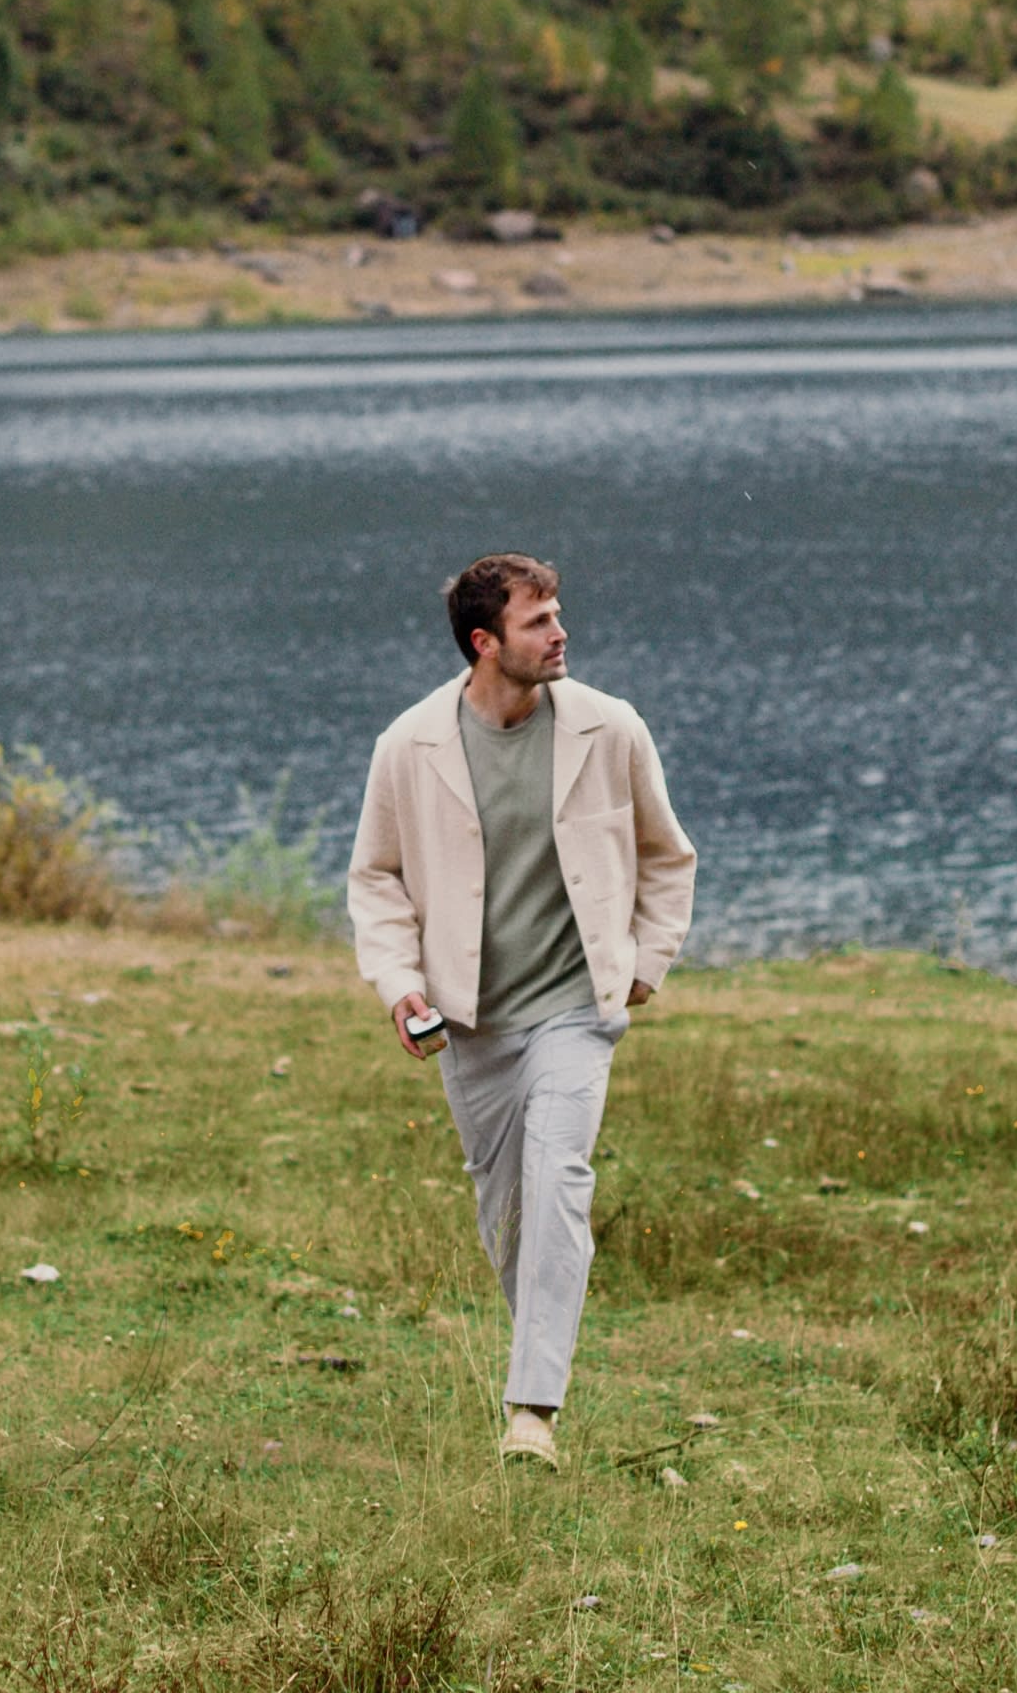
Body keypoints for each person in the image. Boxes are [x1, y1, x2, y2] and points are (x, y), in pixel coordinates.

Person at [346, 552, 697, 1467]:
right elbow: (376, 880)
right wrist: (399, 983)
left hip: (577, 1007)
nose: (560, 632)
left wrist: (645, 965)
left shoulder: (610, 728)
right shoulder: (409, 745)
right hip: (469, 1023)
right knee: (505, 1216)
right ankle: (541, 1353)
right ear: (484, 642)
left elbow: (668, 856)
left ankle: (531, 1412)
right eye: (538, 621)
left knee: (559, 1185)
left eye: (557, 613)